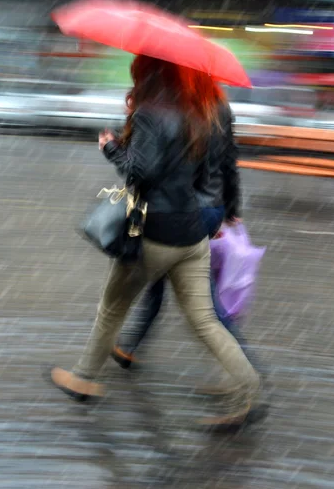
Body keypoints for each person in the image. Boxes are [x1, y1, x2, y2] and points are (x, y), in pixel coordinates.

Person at [46, 55, 263, 427]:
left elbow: (141, 172)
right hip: (192, 233)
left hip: (155, 233)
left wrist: (111, 148)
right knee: (206, 321)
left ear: (146, 74)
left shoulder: (152, 111)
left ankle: (83, 377)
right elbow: (209, 167)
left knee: (112, 308)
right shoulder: (201, 112)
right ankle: (248, 388)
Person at [111, 86, 269, 380]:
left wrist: (116, 146)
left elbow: (151, 169)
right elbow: (228, 163)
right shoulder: (218, 106)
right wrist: (229, 208)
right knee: (163, 283)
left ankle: (249, 371)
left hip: (181, 212)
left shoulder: (176, 108)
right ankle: (129, 346)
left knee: (202, 306)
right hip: (208, 208)